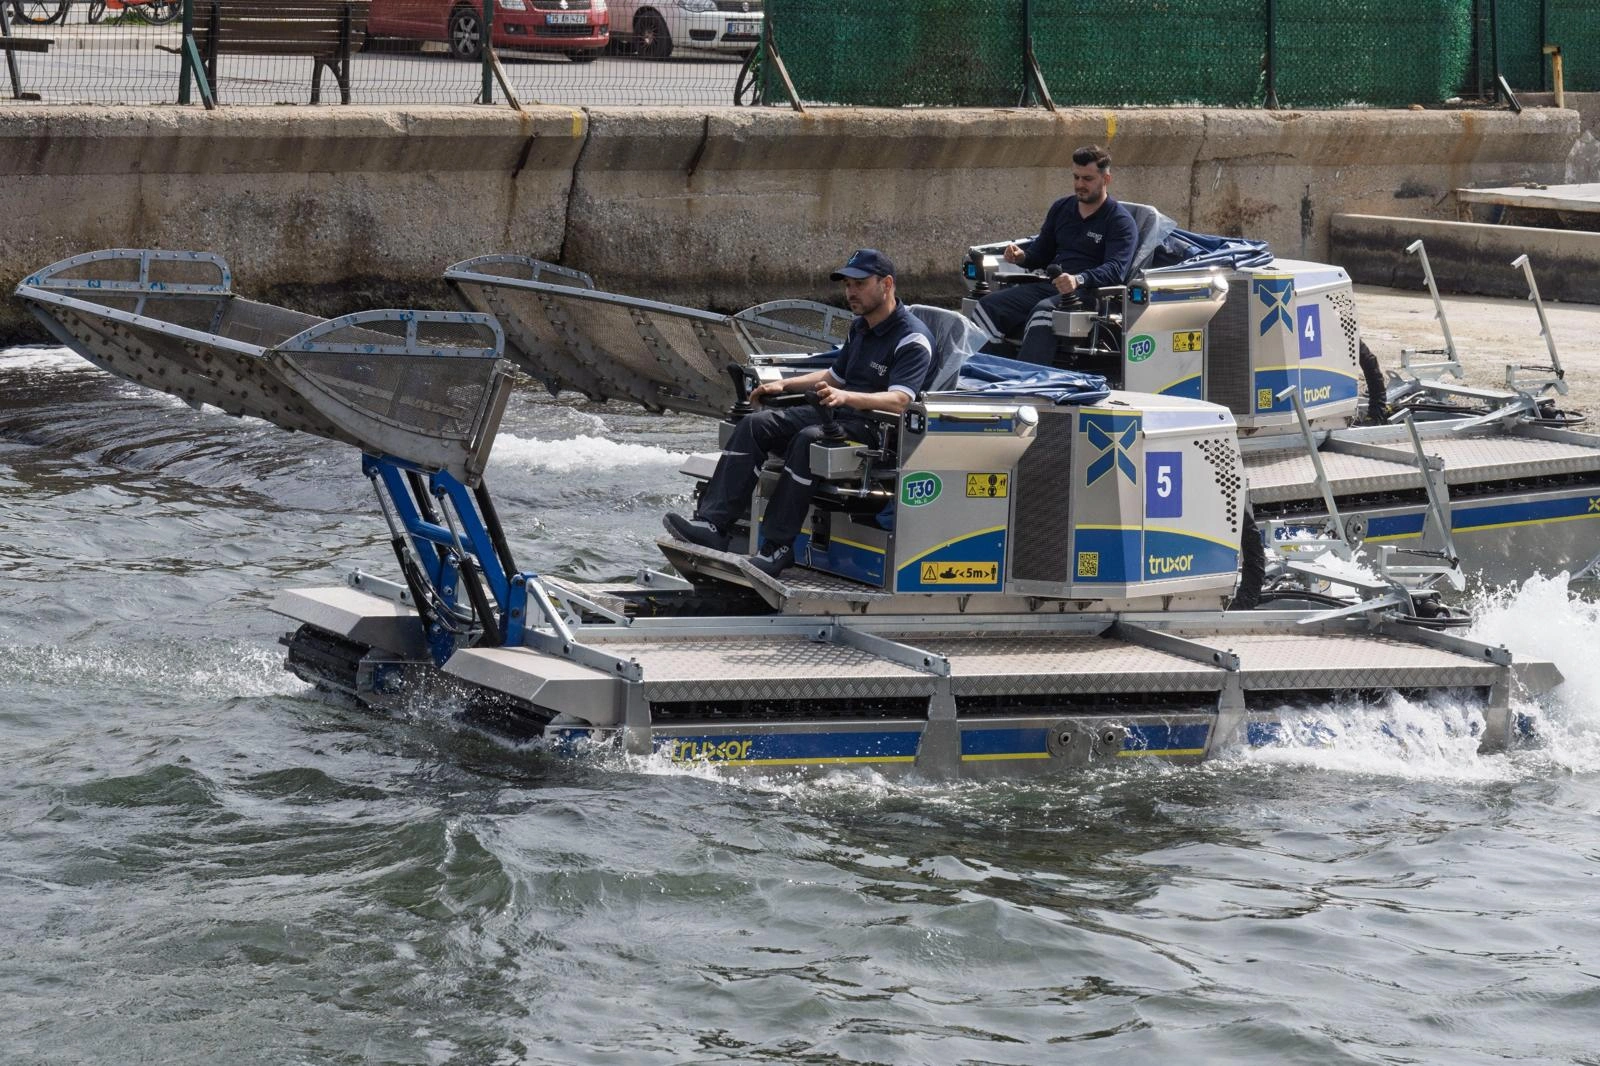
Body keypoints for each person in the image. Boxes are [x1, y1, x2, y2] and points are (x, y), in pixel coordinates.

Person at [663, 249, 934, 577]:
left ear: (886, 284)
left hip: (874, 428)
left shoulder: (912, 338)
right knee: (754, 423)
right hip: (836, 413)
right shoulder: (860, 327)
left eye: (859, 284)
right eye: (847, 284)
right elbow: (833, 376)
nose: (850, 292)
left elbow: (900, 401)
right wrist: (784, 385)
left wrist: (845, 396)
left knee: (807, 440)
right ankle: (713, 525)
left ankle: (776, 547)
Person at [970, 144, 1139, 365]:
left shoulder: (1120, 222)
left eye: (1087, 179)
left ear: (1106, 180)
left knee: (1044, 313)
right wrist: (1022, 257)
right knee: (987, 306)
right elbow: (1041, 253)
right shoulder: (1061, 208)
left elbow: (1116, 270)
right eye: (1076, 177)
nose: (1079, 185)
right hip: (1051, 287)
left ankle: (1027, 382)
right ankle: (984, 369)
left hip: (1089, 294)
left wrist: (1078, 279)